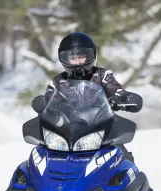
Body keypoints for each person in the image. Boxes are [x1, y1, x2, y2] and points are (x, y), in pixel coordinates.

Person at [32, 32, 142, 162]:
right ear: (64, 59)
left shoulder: (102, 75)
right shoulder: (58, 82)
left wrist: (123, 98)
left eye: (81, 57)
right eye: (73, 58)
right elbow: (49, 102)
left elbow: (115, 89)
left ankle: (130, 179)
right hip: (66, 133)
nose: (77, 62)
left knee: (122, 158)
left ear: (91, 55)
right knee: (42, 154)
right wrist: (43, 104)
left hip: (101, 129)